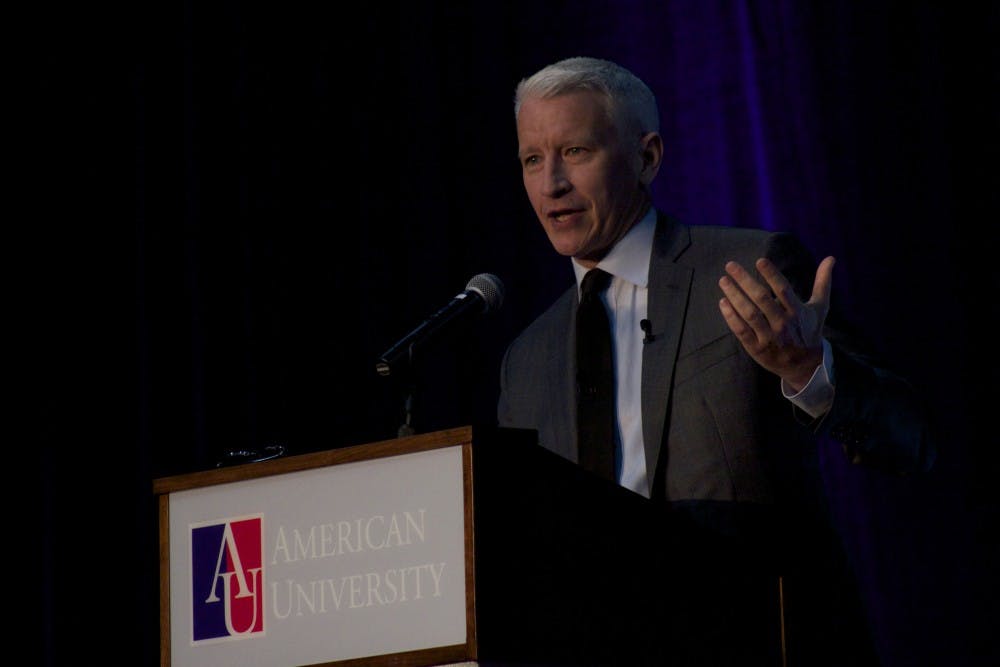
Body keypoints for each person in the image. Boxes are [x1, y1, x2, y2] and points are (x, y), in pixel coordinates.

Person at [497, 56, 936, 666]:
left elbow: (911, 438)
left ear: (647, 157)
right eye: (532, 160)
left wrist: (809, 372)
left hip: (759, 639)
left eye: (575, 152)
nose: (551, 185)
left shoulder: (750, 269)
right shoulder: (527, 360)